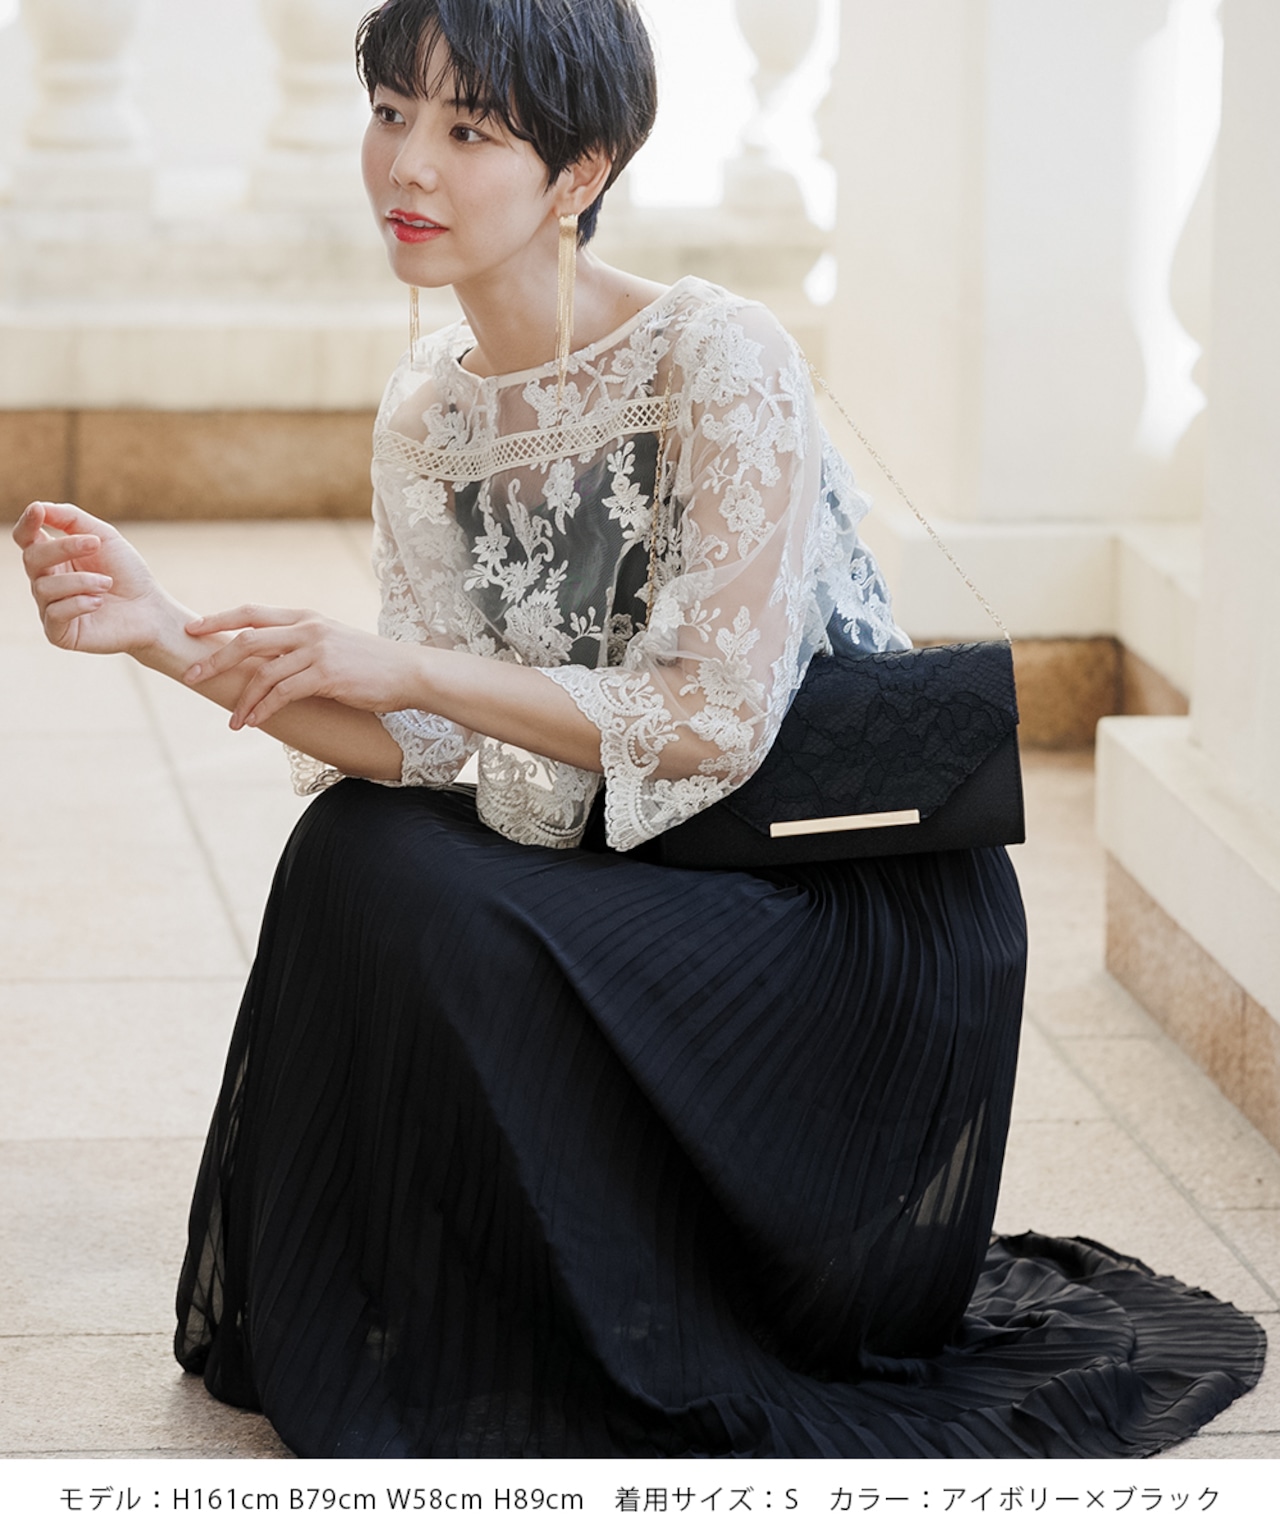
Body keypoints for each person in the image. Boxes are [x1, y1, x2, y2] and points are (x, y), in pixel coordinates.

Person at [12, 0, 1263, 1459]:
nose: (408, 164)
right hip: (645, 857)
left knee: (420, 880)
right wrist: (166, 638)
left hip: (832, 900)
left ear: (582, 172)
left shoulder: (714, 352)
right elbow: (427, 747)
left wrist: (413, 666)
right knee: (357, 850)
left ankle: (647, 1290)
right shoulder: (428, 413)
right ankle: (470, 1306)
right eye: (391, 112)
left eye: (468, 130)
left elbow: (710, 719)